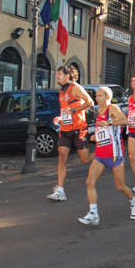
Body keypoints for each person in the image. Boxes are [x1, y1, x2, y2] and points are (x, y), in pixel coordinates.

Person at [78, 87, 135, 225]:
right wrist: (97, 135)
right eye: (96, 95)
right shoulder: (98, 111)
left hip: (114, 154)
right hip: (100, 153)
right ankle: (93, 212)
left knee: (120, 186)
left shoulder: (111, 108)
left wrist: (109, 123)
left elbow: (126, 121)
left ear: (107, 97)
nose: (96, 98)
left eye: (100, 95)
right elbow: (103, 129)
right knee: (90, 182)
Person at [47, 65, 95, 201]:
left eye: (59, 74)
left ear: (67, 76)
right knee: (62, 157)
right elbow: (66, 110)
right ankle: (60, 190)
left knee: (85, 159)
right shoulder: (61, 92)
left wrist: (74, 111)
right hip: (65, 129)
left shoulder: (75, 87)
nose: (57, 77)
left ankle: (106, 154)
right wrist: (61, 117)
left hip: (79, 128)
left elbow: (90, 102)